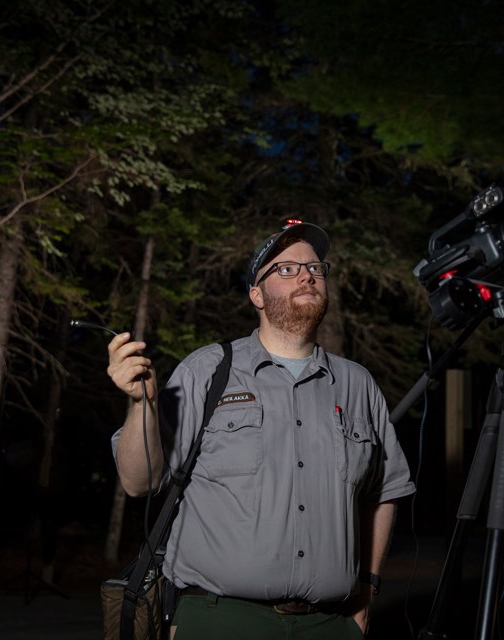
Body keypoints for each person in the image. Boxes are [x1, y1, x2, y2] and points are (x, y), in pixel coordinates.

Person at [107, 220, 415, 639]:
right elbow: (137, 482)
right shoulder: (208, 370)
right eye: (286, 269)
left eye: (315, 268)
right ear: (257, 294)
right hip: (219, 621)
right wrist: (141, 403)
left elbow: (385, 491)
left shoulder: (357, 384)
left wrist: (368, 587)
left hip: (330, 624)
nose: (307, 275)